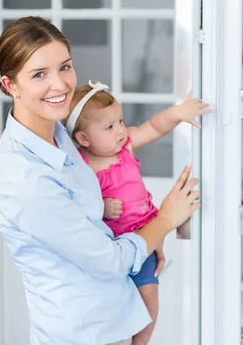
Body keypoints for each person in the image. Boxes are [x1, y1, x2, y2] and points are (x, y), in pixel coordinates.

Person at [0, 16, 201, 345]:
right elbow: (108, 260)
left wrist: (147, 237)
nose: (59, 85)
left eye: (65, 67)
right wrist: (165, 220)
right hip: (82, 335)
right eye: (39, 74)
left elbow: (95, 223)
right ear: (10, 85)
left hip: (114, 319)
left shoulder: (60, 134)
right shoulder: (24, 181)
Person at [62, 82, 209, 344]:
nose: (120, 130)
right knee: (114, 304)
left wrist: (178, 113)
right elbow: (77, 205)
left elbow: (153, 127)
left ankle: (140, 342)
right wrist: (102, 205)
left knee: (149, 297)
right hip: (111, 249)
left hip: (146, 240)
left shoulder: (126, 147)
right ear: (83, 139)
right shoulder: (81, 167)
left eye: (120, 121)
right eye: (109, 127)